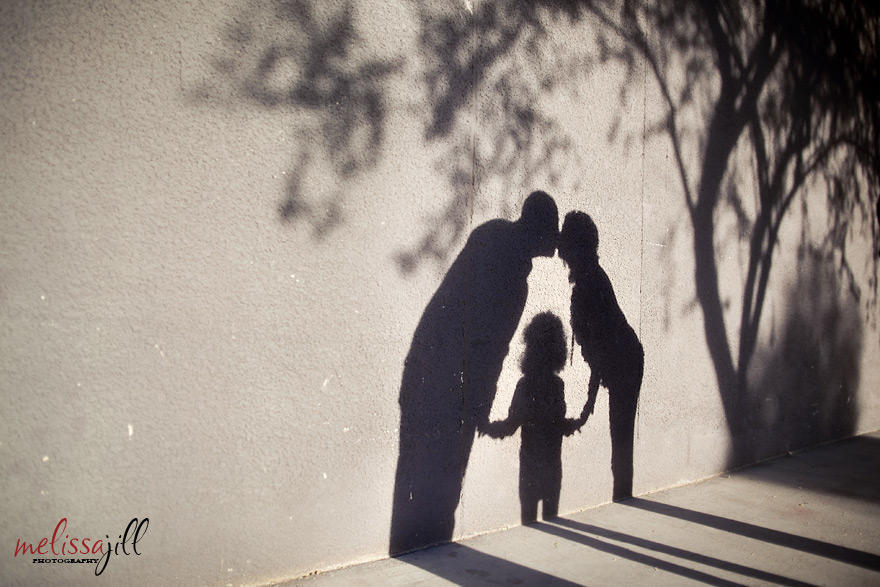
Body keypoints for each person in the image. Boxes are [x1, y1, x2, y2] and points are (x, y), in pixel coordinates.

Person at [389, 191, 559, 554]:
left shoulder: (490, 236)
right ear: (540, 232)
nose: (555, 248)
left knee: (411, 484)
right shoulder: (513, 279)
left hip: (422, 369)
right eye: (552, 236)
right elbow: (489, 346)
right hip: (450, 389)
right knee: (442, 493)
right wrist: (480, 407)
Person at [558, 211, 644, 501]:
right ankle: (624, 496)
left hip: (624, 362)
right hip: (623, 359)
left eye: (565, 243)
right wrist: (588, 406)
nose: (560, 251)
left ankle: (624, 498)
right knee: (620, 439)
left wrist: (587, 406)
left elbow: (599, 349)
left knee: (620, 438)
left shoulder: (589, 286)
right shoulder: (589, 279)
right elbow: (596, 351)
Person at [484, 312, 587, 523]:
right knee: (552, 522)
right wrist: (575, 423)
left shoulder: (525, 385)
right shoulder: (557, 386)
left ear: (530, 346)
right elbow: (558, 423)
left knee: (528, 521)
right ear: (559, 348)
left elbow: (512, 424)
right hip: (552, 467)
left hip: (530, 467)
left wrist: (488, 428)